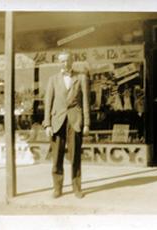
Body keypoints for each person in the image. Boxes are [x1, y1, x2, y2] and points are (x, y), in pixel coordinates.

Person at [43, 50, 90, 199]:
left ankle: (77, 188)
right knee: (57, 157)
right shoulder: (53, 79)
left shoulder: (81, 78)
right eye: (62, 60)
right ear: (59, 62)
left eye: (68, 60)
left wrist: (86, 123)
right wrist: (47, 124)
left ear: (72, 61)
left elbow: (86, 103)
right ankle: (57, 188)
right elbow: (47, 103)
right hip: (57, 122)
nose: (65, 63)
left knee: (75, 156)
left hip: (75, 122)